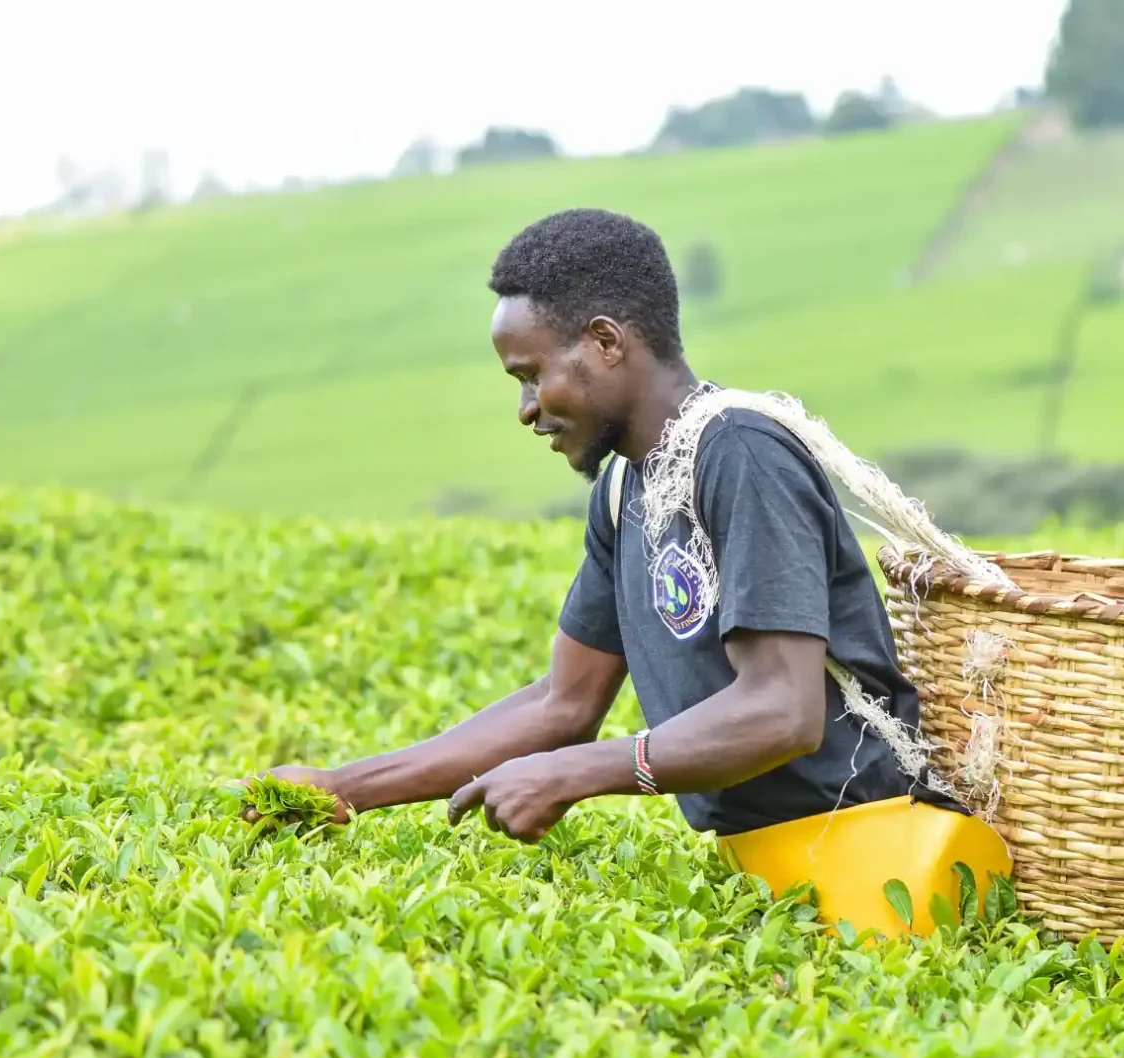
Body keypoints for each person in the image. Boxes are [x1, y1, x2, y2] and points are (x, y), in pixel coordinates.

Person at [237, 208, 1009, 935]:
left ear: (606, 342)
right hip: (767, 869)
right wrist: (343, 788)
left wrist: (577, 773)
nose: (527, 408)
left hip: (879, 855)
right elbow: (562, 704)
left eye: (532, 375)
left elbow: (782, 711)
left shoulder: (740, 453)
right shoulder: (622, 491)